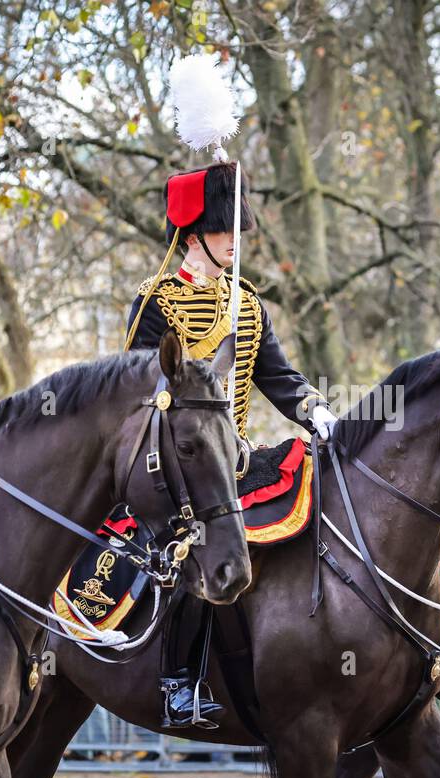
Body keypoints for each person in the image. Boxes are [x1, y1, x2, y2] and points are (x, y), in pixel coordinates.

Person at [124, 161, 334, 728]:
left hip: (235, 454)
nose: (237, 242)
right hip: (177, 461)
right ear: (195, 236)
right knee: (201, 540)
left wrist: (315, 409)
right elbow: (138, 386)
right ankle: (178, 682)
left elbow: (278, 376)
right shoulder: (156, 300)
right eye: (227, 231)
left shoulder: (247, 301)